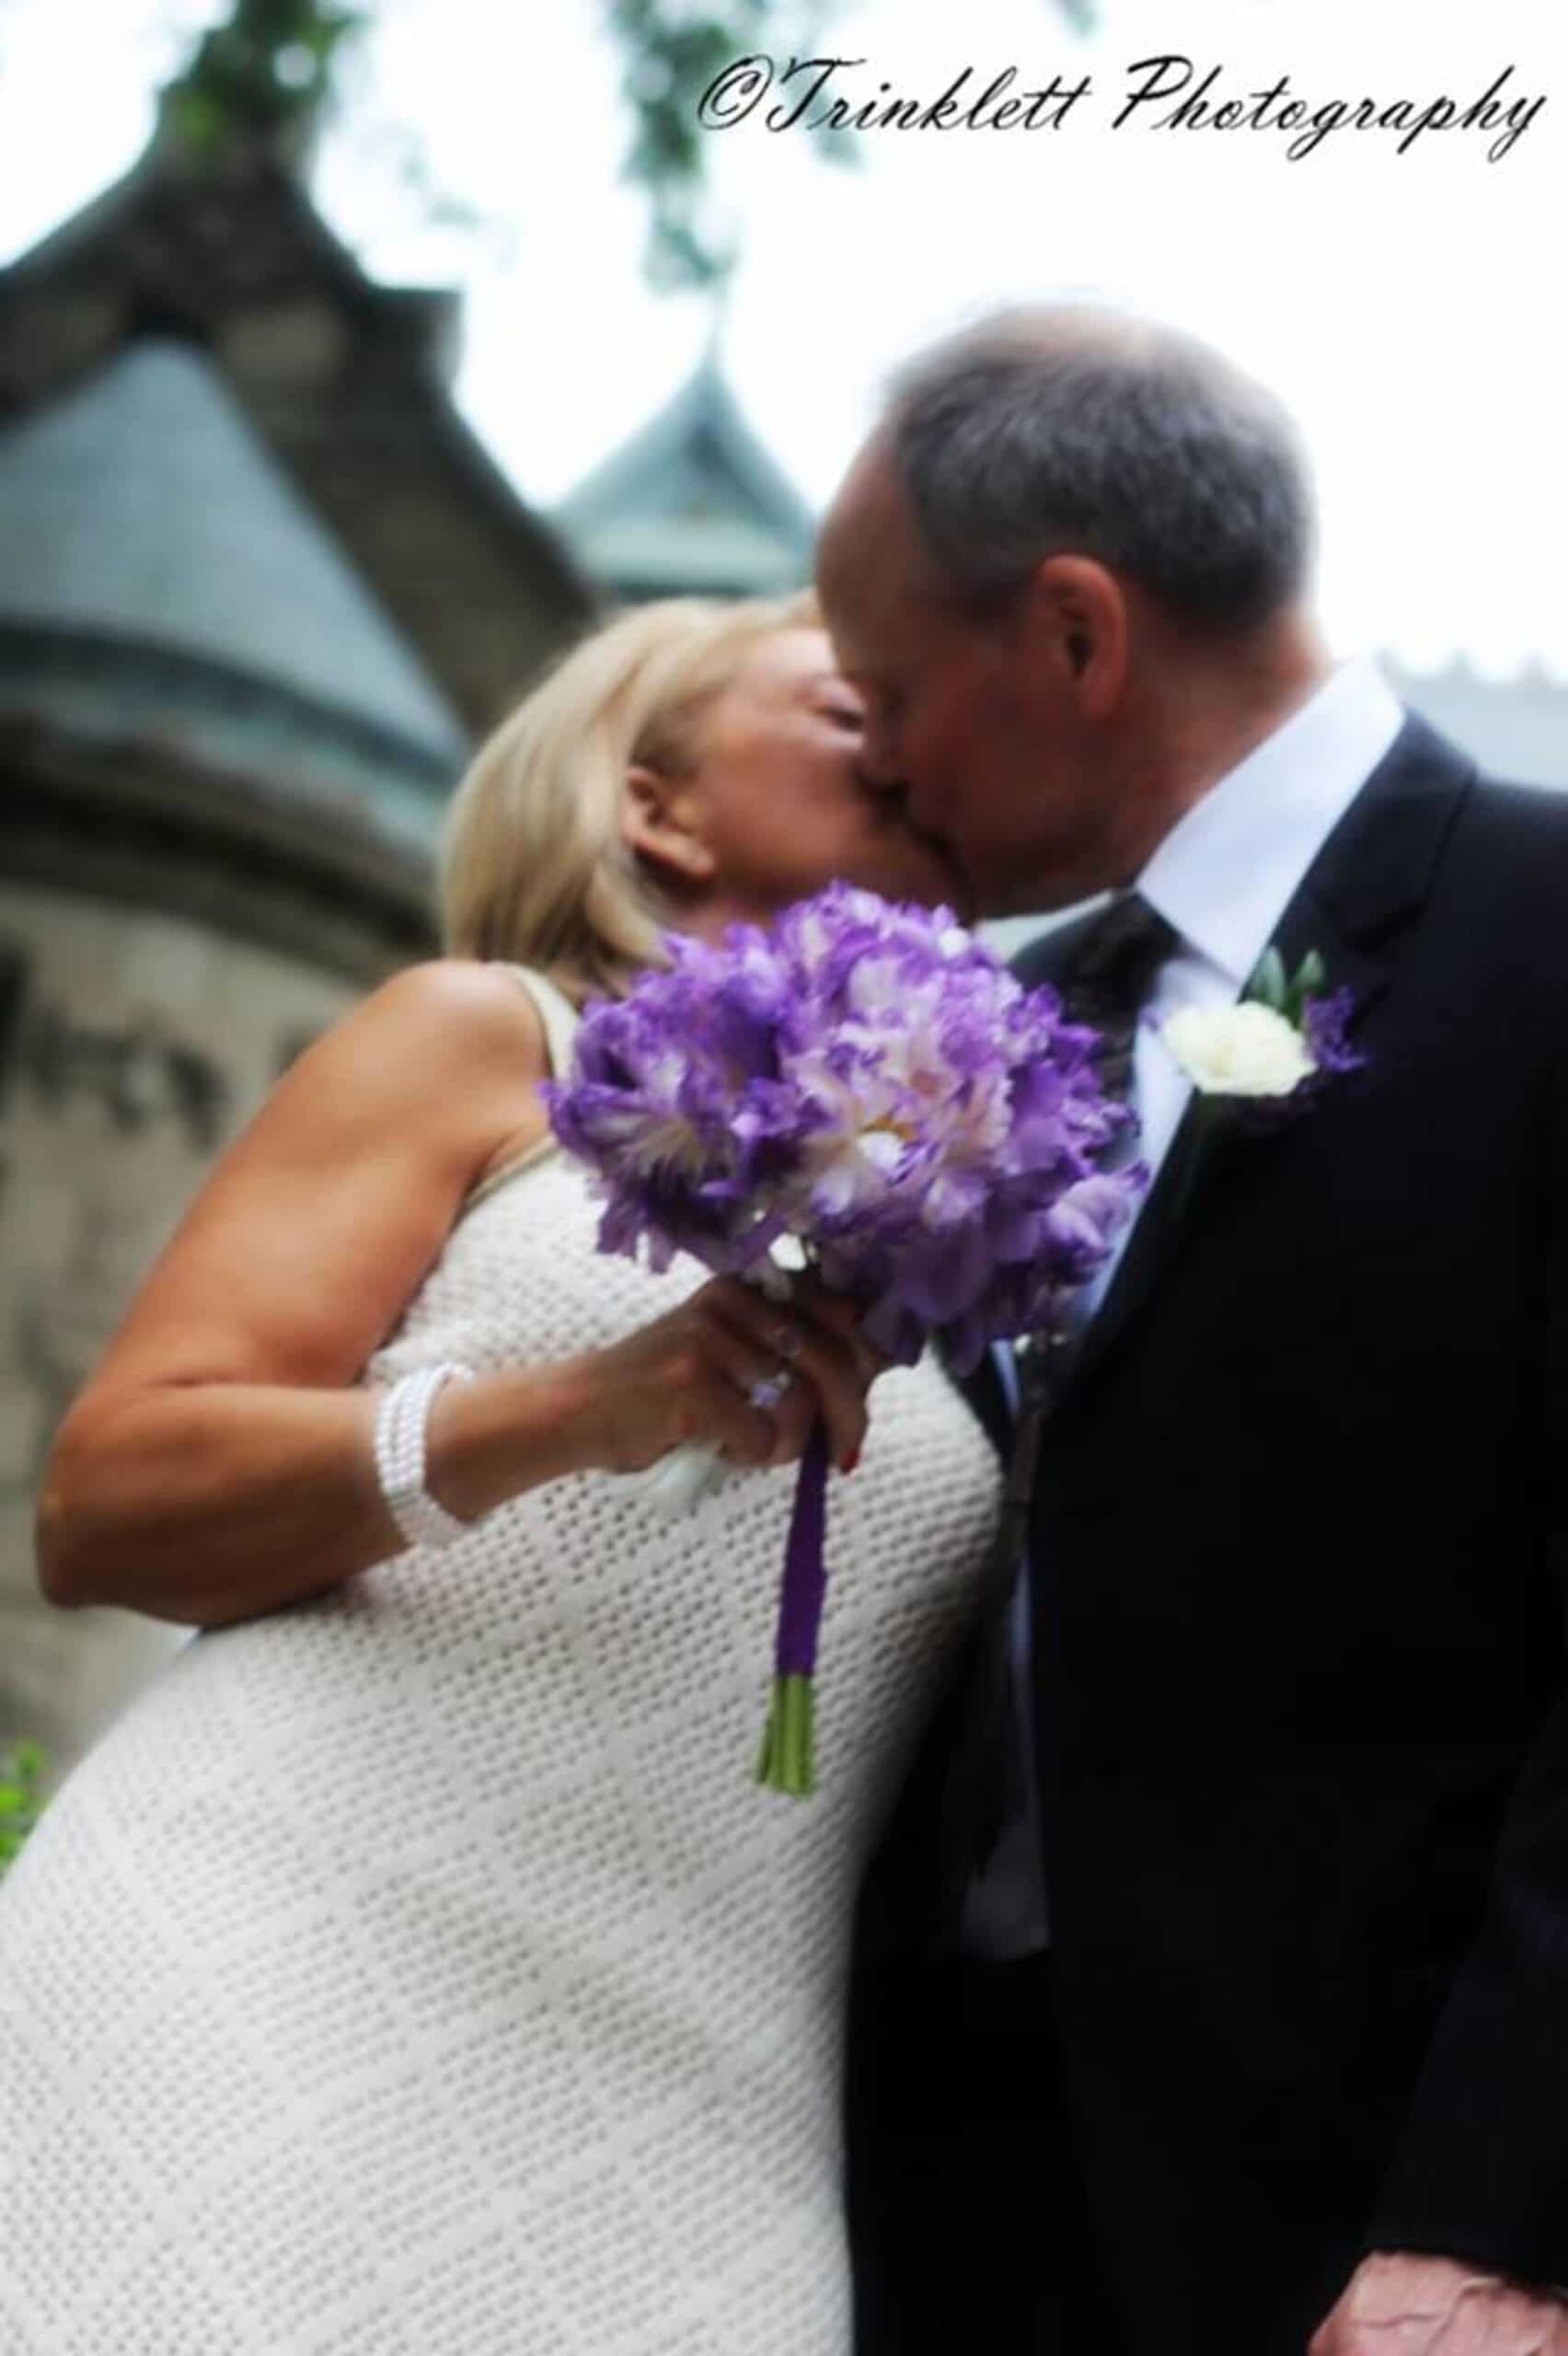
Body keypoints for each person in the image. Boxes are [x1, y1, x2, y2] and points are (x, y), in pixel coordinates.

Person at [0, 594, 1005, 2355]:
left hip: (713, 2099)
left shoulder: (980, 1231)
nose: (924, 741)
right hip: (265, 1956)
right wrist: (562, 1412)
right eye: (862, 709)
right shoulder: (486, 1040)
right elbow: (112, 1501)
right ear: (654, 805)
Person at [816, 306, 1568, 2356]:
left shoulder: (1546, 931)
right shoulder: (981, 1036)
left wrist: (1506, 2220)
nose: (868, 758)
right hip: (919, 2211)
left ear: (1075, 634)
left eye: (886, 691)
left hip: (1365, 2236)